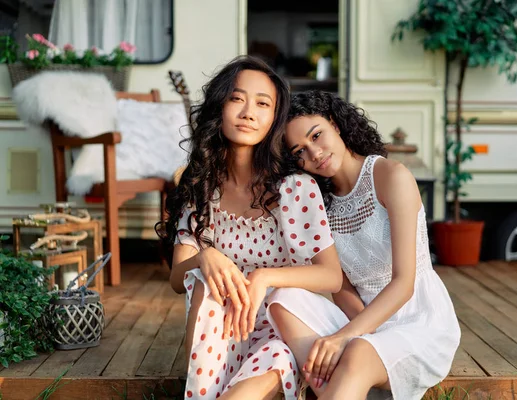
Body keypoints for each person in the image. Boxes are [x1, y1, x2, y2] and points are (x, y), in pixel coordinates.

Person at [158, 59, 342, 400]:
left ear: (274, 119)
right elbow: (175, 280)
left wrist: (264, 277)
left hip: (282, 332)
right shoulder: (201, 188)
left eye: (262, 103)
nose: (248, 112)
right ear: (219, 107)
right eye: (236, 99)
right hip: (221, 331)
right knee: (205, 278)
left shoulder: (295, 189)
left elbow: (331, 276)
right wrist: (205, 258)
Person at [269, 90, 461, 400]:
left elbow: (405, 284)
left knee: (356, 350)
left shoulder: (390, 176)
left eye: (317, 136)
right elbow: (340, 287)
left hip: (417, 318)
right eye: (299, 152)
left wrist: (345, 337)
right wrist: (357, 333)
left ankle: (349, 381)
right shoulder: (317, 202)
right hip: (360, 320)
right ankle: (349, 386)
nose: (314, 154)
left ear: (335, 123)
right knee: (282, 300)